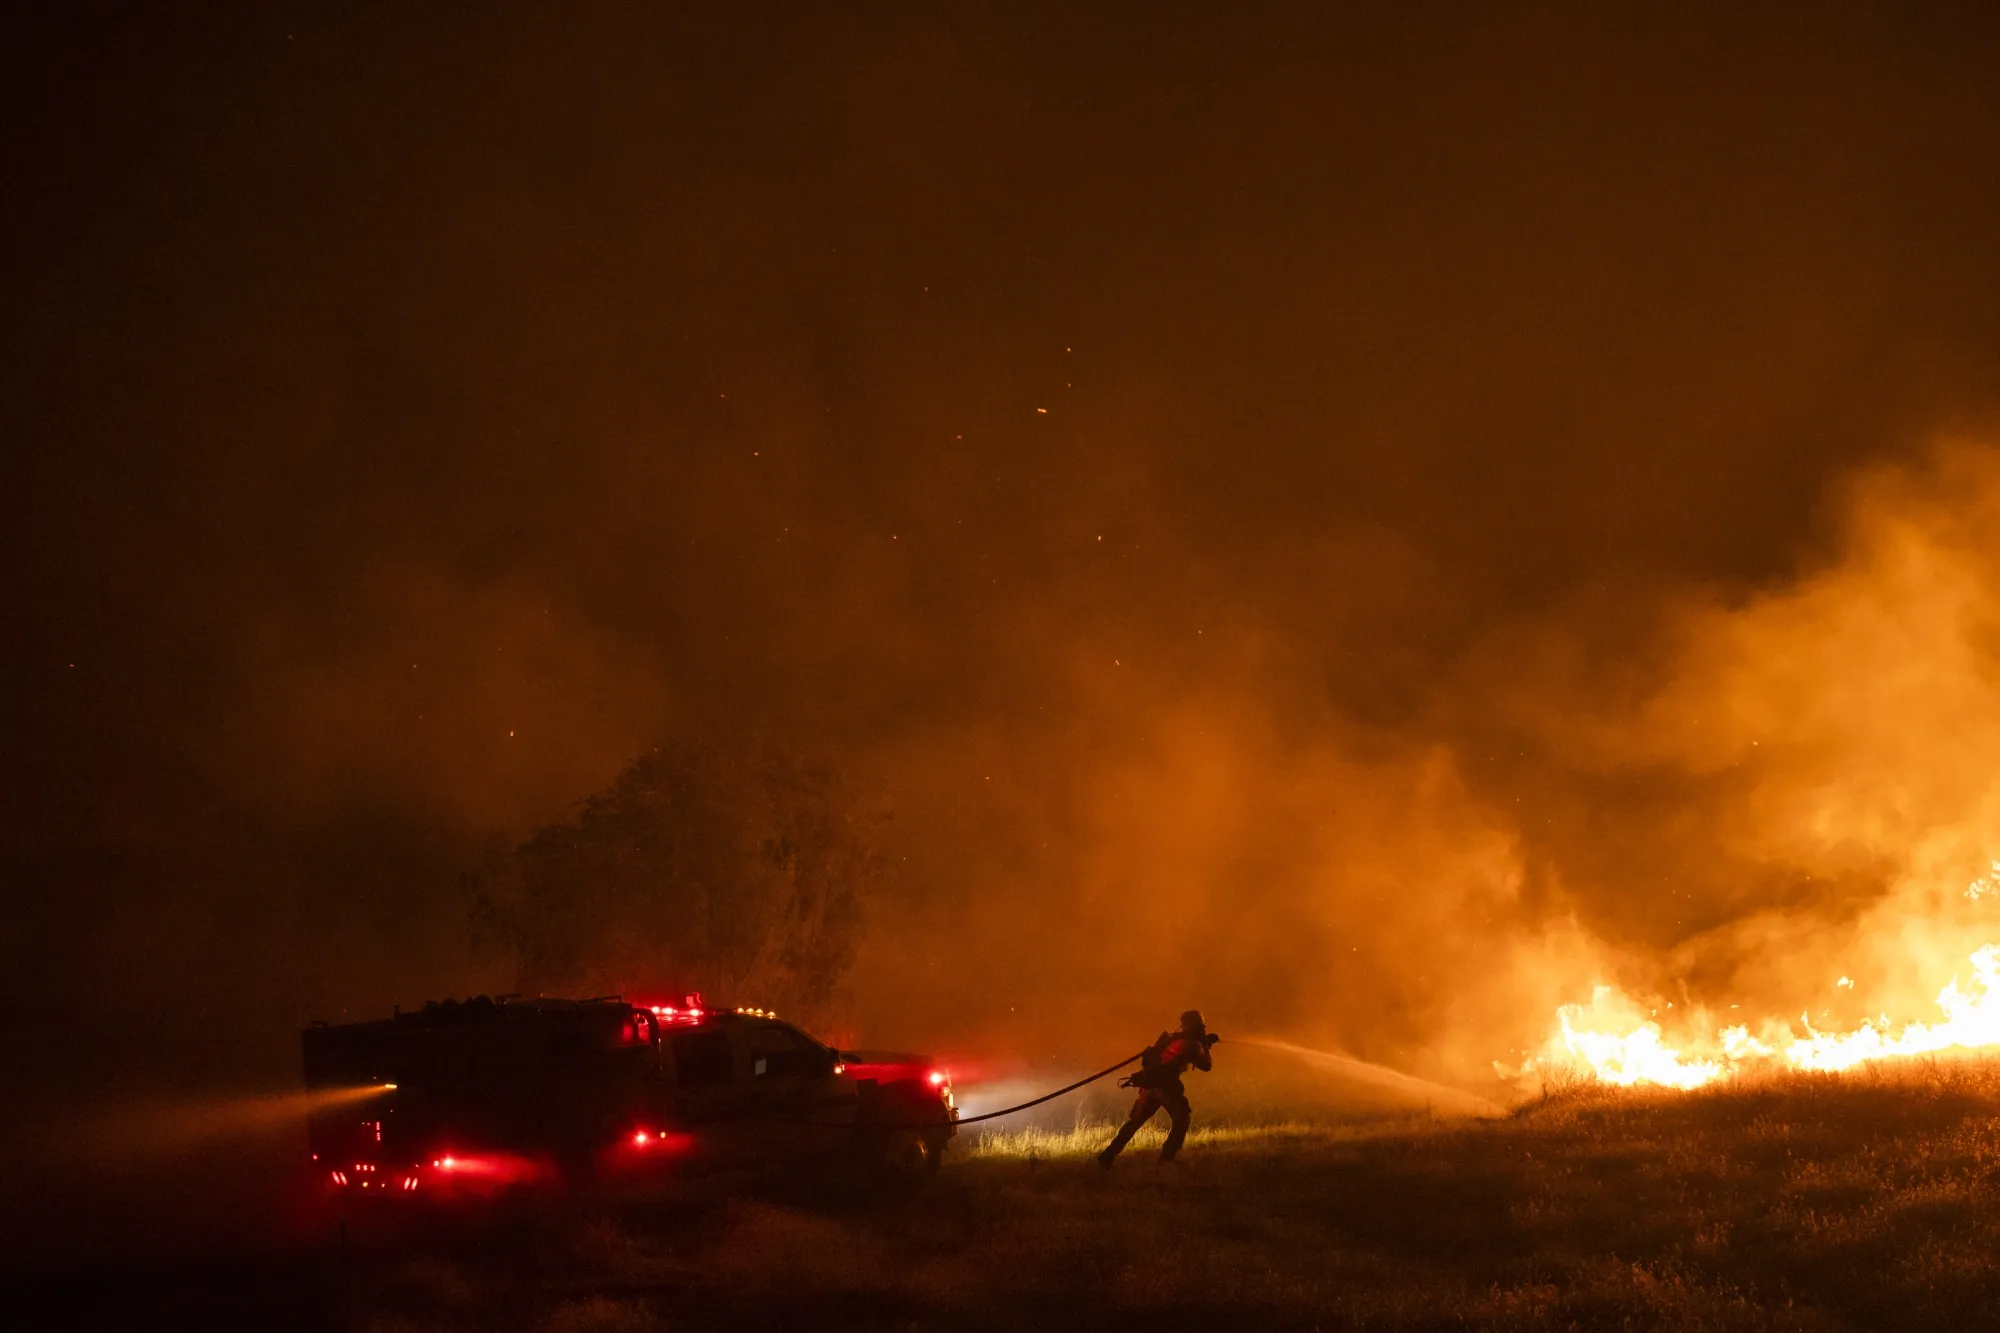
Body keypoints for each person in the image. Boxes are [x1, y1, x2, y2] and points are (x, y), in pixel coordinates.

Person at [1097, 1009, 1217, 1167]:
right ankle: (1166, 1160)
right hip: (1164, 1085)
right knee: (1182, 1117)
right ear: (1198, 1027)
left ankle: (1109, 1154)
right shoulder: (1192, 1043)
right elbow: (1206, 1065)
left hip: (1150, 1084)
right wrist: (1206, 1046)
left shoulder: (1170, 1039)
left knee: (1136, 1120)